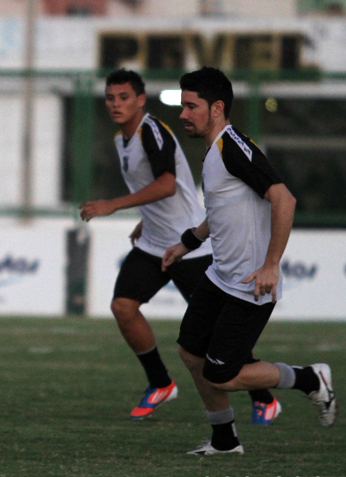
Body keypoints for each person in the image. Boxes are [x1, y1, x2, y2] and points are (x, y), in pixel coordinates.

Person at [79, 69, 279, 423]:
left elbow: (168, 184)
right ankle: (160, 383)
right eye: (110, 98)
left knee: (217, 337)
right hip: (155, 243)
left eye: (124, 97)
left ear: (141, 100)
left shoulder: (152, 132)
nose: (115, 104)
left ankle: (264, 398)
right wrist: (146, 218)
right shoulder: (120, 139)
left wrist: (113, 204)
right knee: (123, 307)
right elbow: (157, 187)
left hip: (190, 245)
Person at [163, 66, 336, 455]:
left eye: (191, 106)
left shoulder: (233, 147)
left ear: (217, 108)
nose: (183, 114)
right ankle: (225, 441)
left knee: (221, 374)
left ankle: (310, 379)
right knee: (191, 351)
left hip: (249, 285)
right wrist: (187, 242)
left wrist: (271, 265)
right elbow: (222, 209)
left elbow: (283, 198)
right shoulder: (215, 150)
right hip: (220, 276)